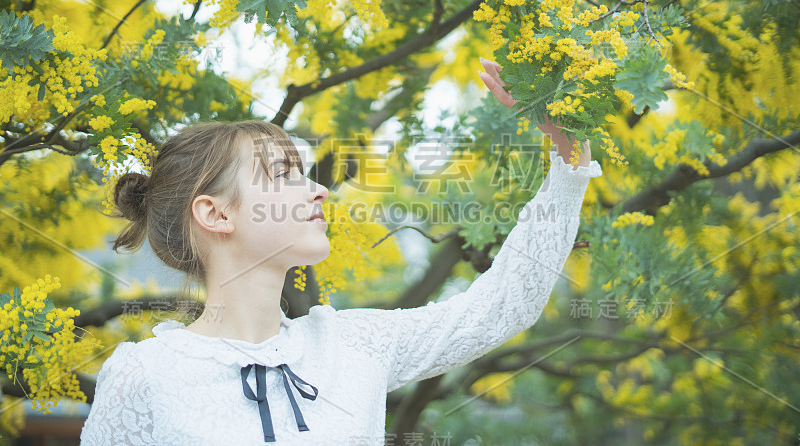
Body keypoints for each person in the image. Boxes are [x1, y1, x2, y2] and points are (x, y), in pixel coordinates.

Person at [79, 58, 602, 445]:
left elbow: (502, 306)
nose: (317, 190)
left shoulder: (354, 346)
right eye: (284, 174)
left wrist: (569, 160)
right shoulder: (144, 375)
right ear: (216, 214)